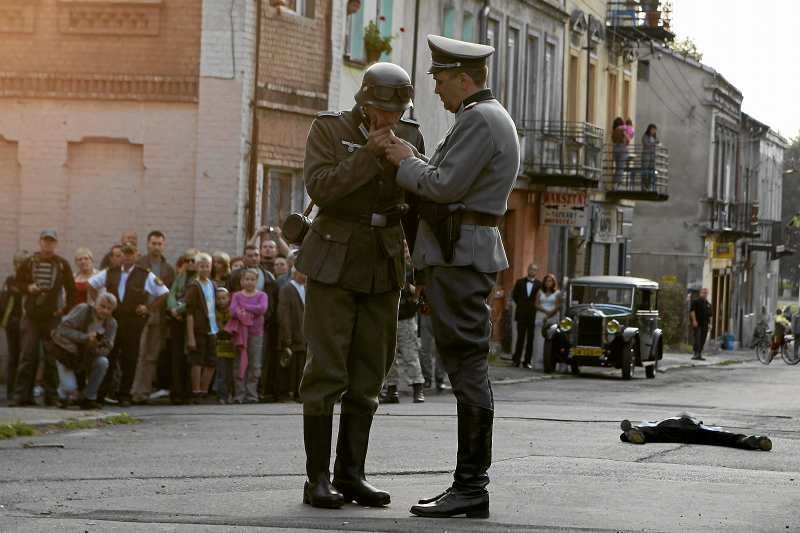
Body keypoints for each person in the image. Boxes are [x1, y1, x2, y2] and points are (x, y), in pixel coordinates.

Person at [384, 34, 519, 519]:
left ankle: (470, 487)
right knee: (466, 369)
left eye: (441, 78)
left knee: (466, 370)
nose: (437, 88)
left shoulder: (479, 120)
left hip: (462, 258)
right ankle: (468, 486)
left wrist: (404, 161)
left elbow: (443, 186)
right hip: (459, 254)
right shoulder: (480, 117)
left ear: (464, 78)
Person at [296, 61, 425, 510]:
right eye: (381, 111)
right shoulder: (329, 130)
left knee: (371, 371)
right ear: (364, 103)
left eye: (396, 112)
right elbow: (322, 188)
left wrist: (421, 270)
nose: (389, 120)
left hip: (385, 261)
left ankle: (352, 474)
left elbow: (416, 207)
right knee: (326, 370)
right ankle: (317, 479)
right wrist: (368, 156)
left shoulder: (413, 136)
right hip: (333, 257)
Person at [88, 242, 169, 406]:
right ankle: (101, 393)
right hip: (113, 320)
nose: (127, 257)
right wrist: (100, 305)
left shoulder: (144, 274)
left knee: (130, 358)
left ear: (136, 255)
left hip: (133, 321)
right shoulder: (110, 273)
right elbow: (91, 284)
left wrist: (148, 307)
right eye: (124, 253)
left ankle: (124, 394)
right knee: (108, 355)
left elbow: (164, 292)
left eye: (130, 253)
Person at [11, 230, 77, 407]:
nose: (48, 245)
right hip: (31, 318)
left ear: (56, 244)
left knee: (51, 358)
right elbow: (15, 284)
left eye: (52, 241)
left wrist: (65, 311)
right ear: (40, 242)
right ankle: (22, 396)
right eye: (45, 241)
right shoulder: (29, 262)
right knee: (27, 356)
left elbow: (72, 291)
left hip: (52, 318)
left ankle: (51, 396)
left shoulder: (62, 264)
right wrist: (28, 287)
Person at [50, 293, 118, 410]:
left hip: (88, 356)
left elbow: (107, 350)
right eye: (102, 306)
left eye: (109, 309)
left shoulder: (111, 324)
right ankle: (62, 394)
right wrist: (85, 337)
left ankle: (89, 398)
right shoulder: (83, 310)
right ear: (95, 304)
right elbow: (63, 329)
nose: (105, 311)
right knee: (69, 387)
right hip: (67, 353)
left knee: (103, 362)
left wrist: (96, 347)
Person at [131, 230, 176, 404]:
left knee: (152, 356)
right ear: (148, 244)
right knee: (139, 354)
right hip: (139, 314)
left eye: (159, 244)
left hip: (158, 316)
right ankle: (132, 391)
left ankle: (143, 392)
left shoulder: (168, 270)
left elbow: (169, 294)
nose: (156, 247)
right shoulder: (139, 264)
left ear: (163, 246)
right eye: (153, 243)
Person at [382, 245, 425, 403]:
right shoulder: (388, 267)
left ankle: (418, 389)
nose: (405, 251)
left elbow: (418, 291)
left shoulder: (412, 269)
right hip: (389, 317)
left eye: (407, 248)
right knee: (389, 357)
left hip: (406, 317)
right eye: (403, 247)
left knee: (410, 354)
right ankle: (391, 390)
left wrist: (407, 287)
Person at [225, 269, 268, 403]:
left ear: (257, 281)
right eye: (246, 279)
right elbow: (232, 311)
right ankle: (239, 395)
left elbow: (262, 309)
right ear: (241, 281)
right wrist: (250, 308)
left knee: (255, 364)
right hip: (240, 334)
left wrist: (243, 307)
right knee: (239, 363)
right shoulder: (237, 295)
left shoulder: (262, 295)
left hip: (256, 333)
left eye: (252, 279)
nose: (249, 282)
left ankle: (251, 394)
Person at [620, 415, 772, 451]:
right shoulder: (700, 425)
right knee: (722, 438)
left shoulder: (662, 421)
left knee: (648, 433)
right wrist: (741, 438)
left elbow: (646, 427)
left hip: (666, 429)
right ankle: (750, 441)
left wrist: (630, 431)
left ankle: (632, 433)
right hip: (696, 432)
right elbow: (723, 434)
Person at [166, 250, 199, 405]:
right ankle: (176, 391)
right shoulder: (179, 278)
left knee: (190, 359)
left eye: (193, 260)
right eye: (188, 260)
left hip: (192, 321)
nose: (190, 263)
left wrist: (179, 310)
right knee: (176, 357)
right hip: (177, 322)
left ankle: (188, 392)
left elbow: (190, 299)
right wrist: (173, 310)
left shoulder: (199, 279)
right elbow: (171, 294)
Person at [184, 253, 218, 400]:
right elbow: (189, 313)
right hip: (199, 329)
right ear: (197, 267)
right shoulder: (194, 286)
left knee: (211, 361)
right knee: (197, 361)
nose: (205, 269)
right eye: (202, 266)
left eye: (207, 266)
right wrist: (190, 336)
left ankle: (204, 390)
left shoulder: (212, 284)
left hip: (212, 328)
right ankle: (196, 391)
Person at [2, 251, 29, 402]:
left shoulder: (29, 280)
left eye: (23, 263)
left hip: (27, 322)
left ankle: (22, 391)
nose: (20, 266)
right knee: (14, 357)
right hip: (14, 322)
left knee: (25, 357)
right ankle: (12, 391)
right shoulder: (11, 280)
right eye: (18, 262)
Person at [277, 267, 307, 402]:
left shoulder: (306, 288)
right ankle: (291, 393)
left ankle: (300, 392)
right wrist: (287, 337)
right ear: (295, 273)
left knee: (302, 366)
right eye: (303, 272)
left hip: (305, 336)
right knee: (293, 367)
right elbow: (284, 315)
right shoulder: (287, 289)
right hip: (294, 336)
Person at [511, 264, 540, 368]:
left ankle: (527, 361)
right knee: (520, 338)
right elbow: (514, 296)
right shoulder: (520, 282)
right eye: (531, 269)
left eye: (534, 270)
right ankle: (516, 360)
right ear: (528, 270)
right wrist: (521, 304)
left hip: (533, 315)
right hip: (521, 314)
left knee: (530, 339)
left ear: (537, 272)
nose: (532, 271)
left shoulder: (539, 284)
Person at [533, 273, 562, 371]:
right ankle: (538, 363)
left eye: (550, 281)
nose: (548, 283)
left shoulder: (557, 293)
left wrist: (549, 314)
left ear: (553, 282)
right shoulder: (540, 292)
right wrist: (545, 312)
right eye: (546, 281)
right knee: (539, 340)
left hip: (552, 316)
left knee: (551, 339)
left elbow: (558, 306)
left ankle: (549, 361)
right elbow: (536, 304)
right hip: (541, 315)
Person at [214, 287, 235, 404]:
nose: (221, 301)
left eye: (224, 298)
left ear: (229, 298)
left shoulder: (233, 312)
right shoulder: (214, 313)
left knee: (231, 373)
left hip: (232, 347)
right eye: (219, 299)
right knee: (222, 373)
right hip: (220, 348)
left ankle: (231, 393)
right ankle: (222, 395)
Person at [690, 288, 712, 361]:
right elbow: (692, 311)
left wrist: (710, 324)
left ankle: (699, 354)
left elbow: (710, 315)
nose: (705, 294)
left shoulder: (708, 304)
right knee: (697, 339)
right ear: (700, 293)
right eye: (703, 293)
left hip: (705, 324)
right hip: (698, 323)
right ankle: (695, 353)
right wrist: (694, 320)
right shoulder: (696, 301)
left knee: (703, 339)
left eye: (706, 293)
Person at [611, 116, 629, 185]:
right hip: (622, 149)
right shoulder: (622, 130)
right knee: (620, 168)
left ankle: (614, 183)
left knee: (617, 167)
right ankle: (617, 183)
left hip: (615, 149)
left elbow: (613, 139)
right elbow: (628, 140)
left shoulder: (614, 131)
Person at [641, 124, 658, 191]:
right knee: (645, 171)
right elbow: (646, 144)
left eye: (655, 130)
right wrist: (654, 143)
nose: (654, 131)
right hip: (646, 156)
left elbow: (655, 144)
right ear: (649, 129)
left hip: (652, 157)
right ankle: (644, 186)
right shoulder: (645, 136)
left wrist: (657, 143)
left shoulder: (654, 137)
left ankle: (648, 186)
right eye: (653, 129)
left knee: (651, 172)